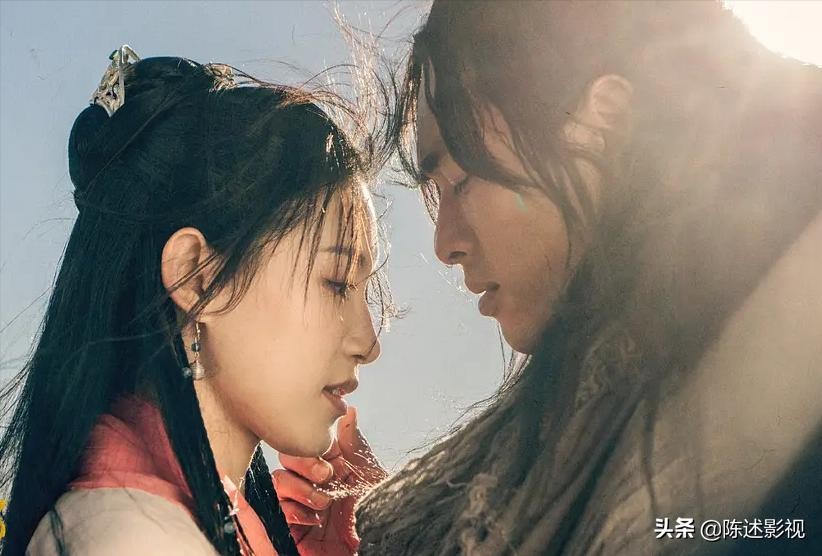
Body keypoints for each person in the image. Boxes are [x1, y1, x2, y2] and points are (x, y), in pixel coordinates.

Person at [275, 2, 822, 554]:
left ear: (606, 122)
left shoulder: (763, 403)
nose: (445, 244)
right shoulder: (609, 415)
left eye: (461, 180)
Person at [0, 46, 388, 555]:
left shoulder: (174, 518)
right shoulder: (133, 539)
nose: (368, 342)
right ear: (197, 276)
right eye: (336, 282)